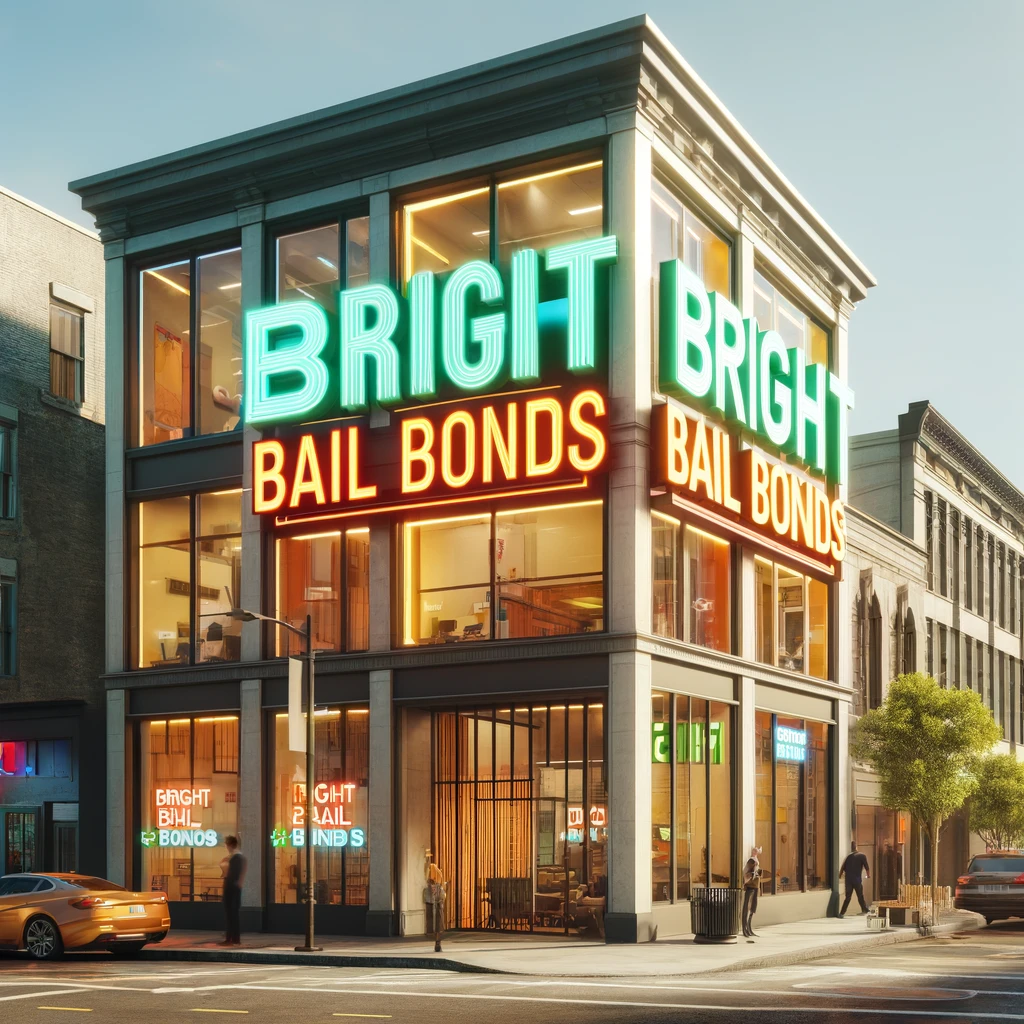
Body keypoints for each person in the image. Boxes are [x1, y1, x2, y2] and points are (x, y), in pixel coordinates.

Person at [220, 835, 247, 946]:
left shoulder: (236, 858)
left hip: (232, 889)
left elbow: (232, 875)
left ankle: (233, 938)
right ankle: (232, 938)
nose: (226, 847)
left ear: (230, 845)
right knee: (232, 914)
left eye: (227, 845)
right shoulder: (236, 857)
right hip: (233, 889)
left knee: (232, 914)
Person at [838, 840, 870, 917]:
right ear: (856, 847)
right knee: (860, 895)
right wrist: (868, 875)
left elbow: (843, 868)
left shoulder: (848, 857)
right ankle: (864, 909)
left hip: (848, 879)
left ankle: (842, 912)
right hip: (857, 879)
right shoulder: (862, 856)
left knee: (848, 897)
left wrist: (840, 876)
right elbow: (867, 867)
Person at [424, 862, 447, 953]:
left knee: (438, 924)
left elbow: (442, 896)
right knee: (434, 925)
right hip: (432, 906)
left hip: (437, 906)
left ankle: (438, 942)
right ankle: (437, 941)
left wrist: (440, 900)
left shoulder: (438, 887)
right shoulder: (428, 888)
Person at [742, 847, 762, 939]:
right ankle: (745, 928)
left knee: (752, 907)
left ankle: (749, 927)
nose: (756, 852)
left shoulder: (755, 860)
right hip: (751, 887)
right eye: (755, 851)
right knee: (747, 906)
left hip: (755, 886)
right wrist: (755, 874)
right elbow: (749, 873)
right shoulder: (751, 860)